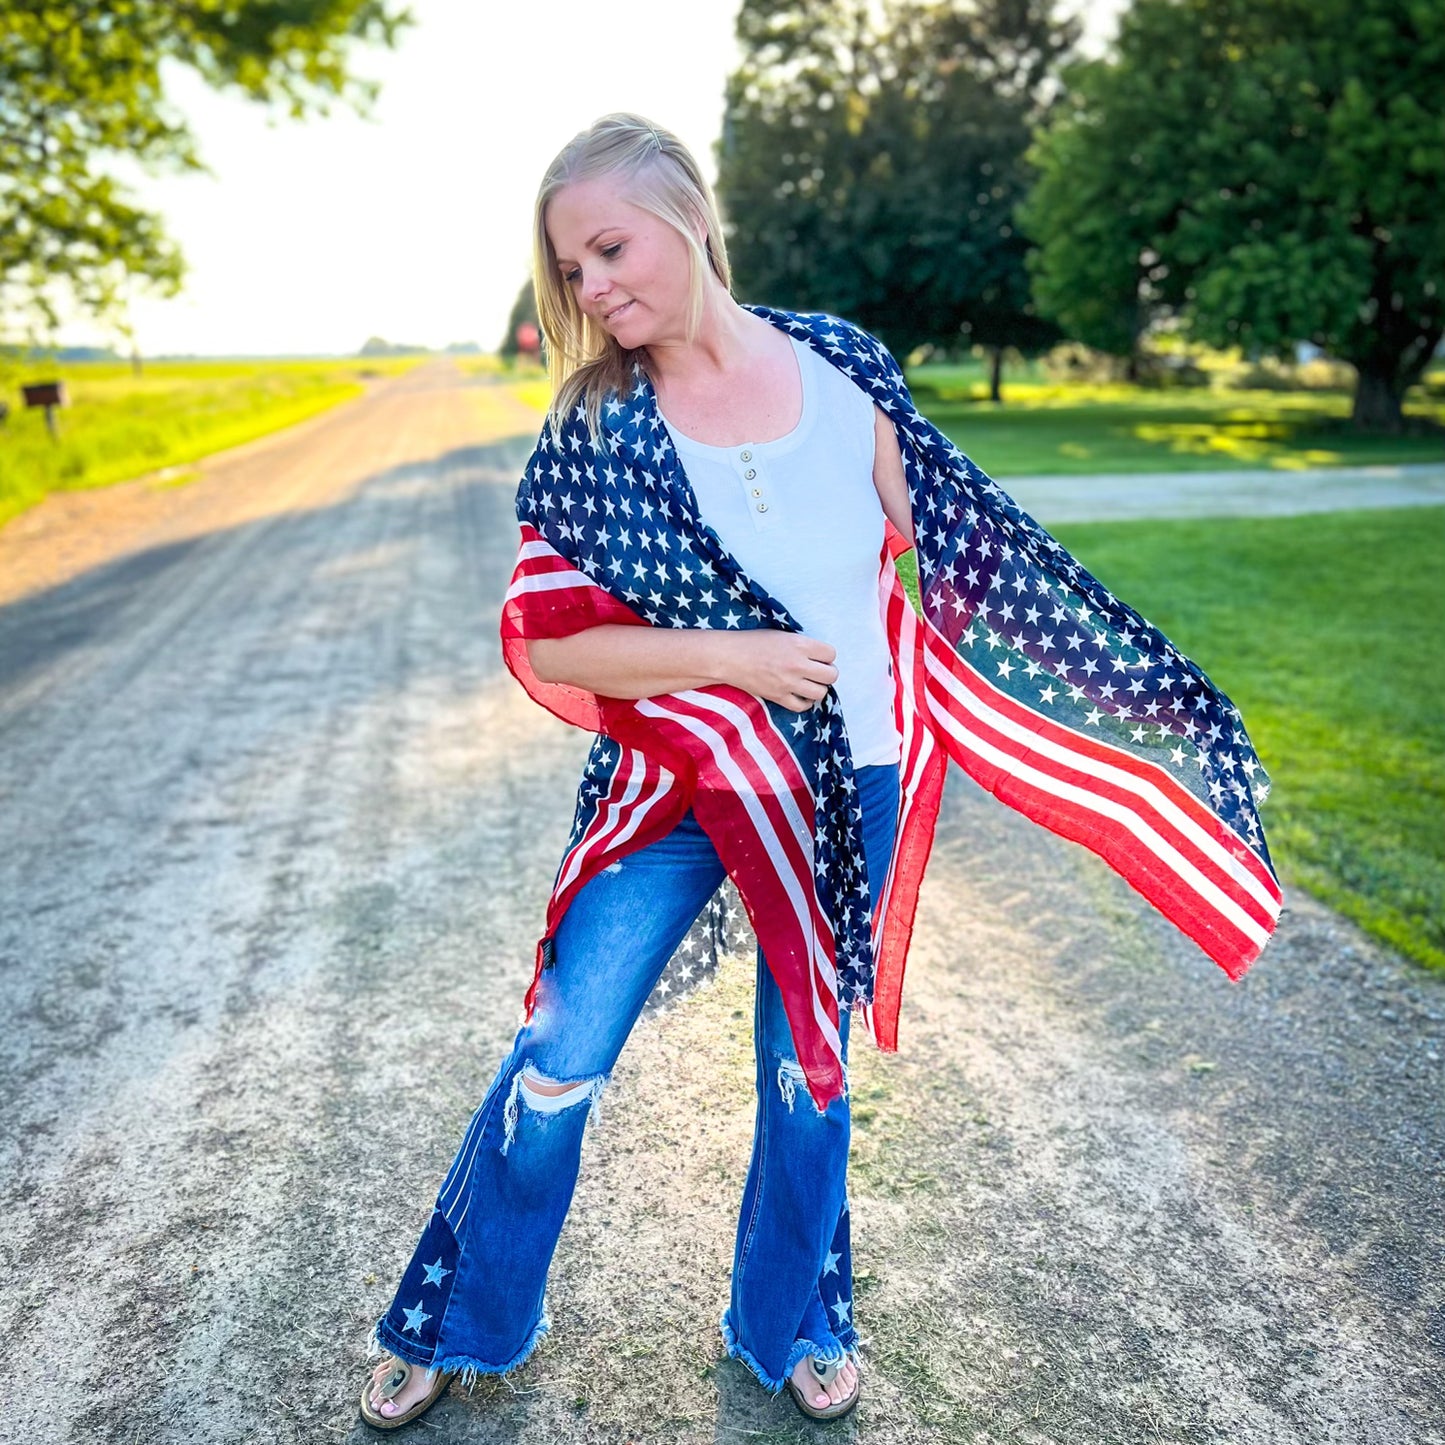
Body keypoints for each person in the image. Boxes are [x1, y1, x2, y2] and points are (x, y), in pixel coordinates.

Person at [359, 111, 1279, 1431]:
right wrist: (732, 654)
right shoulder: (595, 429)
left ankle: (790, 1312)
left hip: (850, 777)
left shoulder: (844, 365)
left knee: (807, 1069)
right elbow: (560, 636)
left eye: (608, 247)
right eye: (569, 268)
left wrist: (1136, 697)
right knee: (558, 1047)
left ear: (685, 213)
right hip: (676, 788)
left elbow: (961, 553)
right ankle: (459, 1312)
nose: (591, 284)